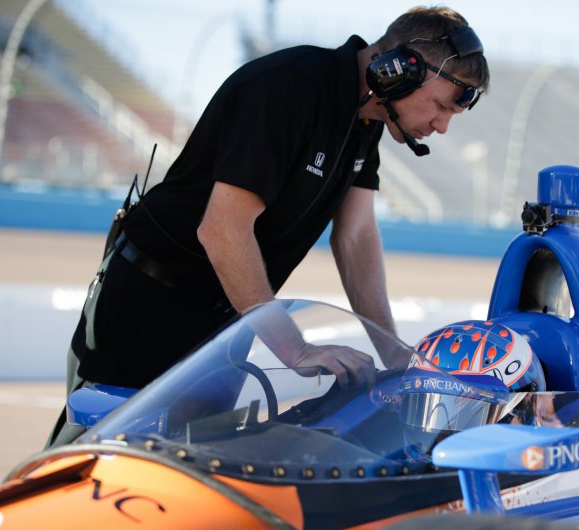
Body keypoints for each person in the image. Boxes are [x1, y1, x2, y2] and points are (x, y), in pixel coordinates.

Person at [46, 5, 490, 447]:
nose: (442, 126)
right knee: (92, 459)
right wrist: (296, 349)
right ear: (398, 71)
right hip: (149, 304)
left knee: (191, 467)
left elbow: (356, 237)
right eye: (440, 106)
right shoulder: (289, 86)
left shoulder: (367, 118)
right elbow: (223, 228)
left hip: (229, 323)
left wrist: (393, 351)